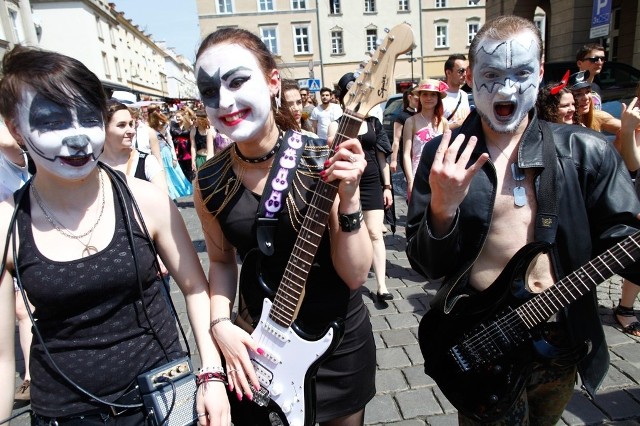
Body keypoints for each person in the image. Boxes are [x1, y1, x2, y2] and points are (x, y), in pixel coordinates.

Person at [406, 15, 640, 425]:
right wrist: (442, 208)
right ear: (471, 75)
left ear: (541, 69)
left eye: (521, 72)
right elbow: (426, 265)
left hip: (561, 339)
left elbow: (624, 242)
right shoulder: (445, 157)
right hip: (484, 340)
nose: (506, 88)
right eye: (491, 74)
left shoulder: (586, 152)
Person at [0, 45, 229, 423]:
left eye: (87, 117)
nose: (76, 139)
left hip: (166, 396)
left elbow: (194, 287)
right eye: (52, 121)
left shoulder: (146, 200)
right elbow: (3, 357)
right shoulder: (8, 224)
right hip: (66, 412)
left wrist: (211, 375)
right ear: (16, 128)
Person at [193, 27, 375, 426]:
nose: (224, 101)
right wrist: (219, 323)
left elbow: (357, 274)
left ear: (273, 81)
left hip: (337, 345)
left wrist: (351, 199)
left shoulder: (320, 157)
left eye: (238, 81)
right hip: (260, 349)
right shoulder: (207, 181)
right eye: (209, 91)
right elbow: (222, 263)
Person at [327, 72, 394, 301]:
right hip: (346, 185)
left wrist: (387, 187)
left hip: (372, 181)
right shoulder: (335, 126)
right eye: (352, 94)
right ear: (344, 97)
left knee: (376, 232)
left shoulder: (374, 123)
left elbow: (382, 156)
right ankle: (354, 273)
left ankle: (382, 286)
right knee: (353, 231)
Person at [0, 121, 33, 402]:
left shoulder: (11, 152)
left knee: (23, 309)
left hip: (16, 229)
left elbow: (10, 145)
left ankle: (30, 377)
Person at [101, 99, 168, 192]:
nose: (132, 131)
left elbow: (163, 201)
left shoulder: (147, 162)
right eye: (121, 125)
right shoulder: (90, 165)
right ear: (103, 128)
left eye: (130, 124)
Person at [402, 79, 449, 201]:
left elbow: (447, 152)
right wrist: (410, 180)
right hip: (418, 174)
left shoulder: (443, 122)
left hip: (439, 175)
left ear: (438, 98)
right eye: (425, 94)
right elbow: (407, 154)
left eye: (433, 94)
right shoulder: (410, 121)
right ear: (420, 97)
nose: (429, 98)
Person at [149, 109, 193, 199]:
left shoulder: (165, 126)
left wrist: (174, 157)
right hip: (156, 153)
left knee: (173, 173)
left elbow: (170, 141)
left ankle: (173, 194)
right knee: (162, 174)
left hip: (166, 152)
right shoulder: (148, 128)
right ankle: (167, 194)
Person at [390, 86, 418, 175]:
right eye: (417, 98)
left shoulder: (422, 115)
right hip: (408, 156)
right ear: (410, 97)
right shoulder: (402, 116)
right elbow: (396, 140)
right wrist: (393, 160)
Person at [442, 54, 471, 129]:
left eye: (466, 70)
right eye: (461, 71)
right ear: (448, 73)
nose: (465, 74)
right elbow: (433, 128)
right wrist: (457, 125)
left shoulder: (464, 95)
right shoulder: (439, 97)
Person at [576, 43, 606, 110]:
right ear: (579, 63)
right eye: (594, 59)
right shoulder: (570, 88)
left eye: (602, 59)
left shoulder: (596, 87)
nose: (600, 62)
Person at [171, 106, 196, 181]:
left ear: (183, 117)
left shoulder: (189, 126)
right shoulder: (173, 125)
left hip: (187, 149)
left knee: (189, 170)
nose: (177, 118)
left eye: (179, 117)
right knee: (180, 169)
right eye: (176, 117)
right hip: (178, 149)